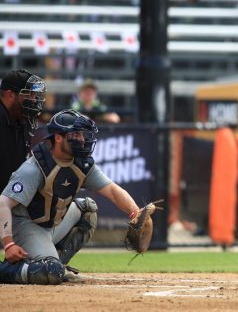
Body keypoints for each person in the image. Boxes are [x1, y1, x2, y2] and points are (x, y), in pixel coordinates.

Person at [0, 109, 144, 284]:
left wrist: (136, 212)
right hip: (25, 227)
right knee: (50, 272)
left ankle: (57, 263)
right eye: (76, 134)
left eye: (83, 135)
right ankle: (7, 270)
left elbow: (112, 190)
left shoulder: (81, 164)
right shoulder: (35, 167)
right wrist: (8, 244)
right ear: (58, 137)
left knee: (87, 208)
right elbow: (3, 202)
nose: (82, 139)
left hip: (51, 225)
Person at [0, 69, 46, 190]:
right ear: (10, 95)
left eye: (35, 95)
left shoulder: (23, 118)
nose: (34, 100)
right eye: (29, 94)